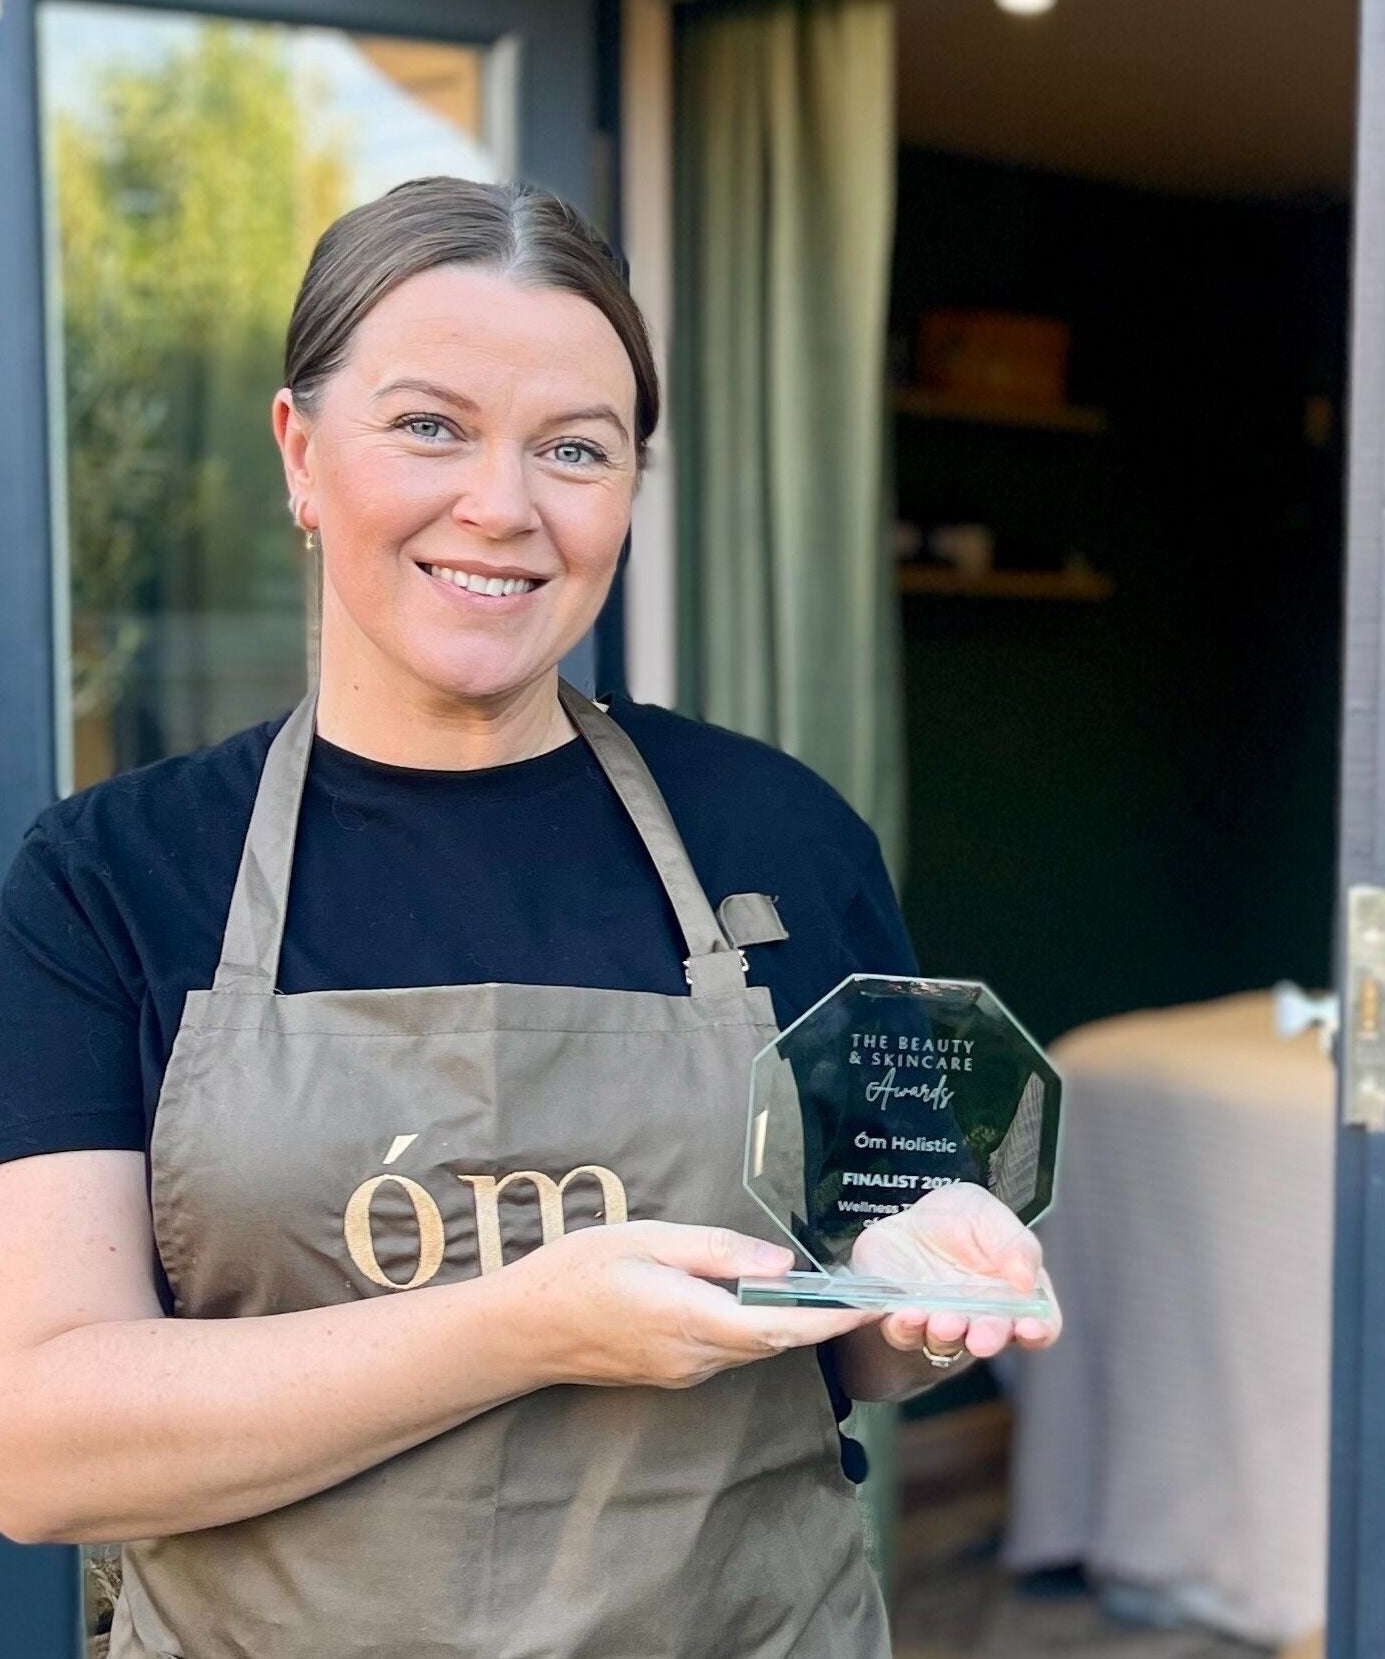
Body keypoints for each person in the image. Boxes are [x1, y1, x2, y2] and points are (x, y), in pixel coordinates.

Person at [0, 176, 1057, 1658]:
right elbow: (42, 1449)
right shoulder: (113, 876)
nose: (503, 506)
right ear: (301, 454)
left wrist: (933, 1294)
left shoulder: (778, 834)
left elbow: (865, 1342)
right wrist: (521, 1326)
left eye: (576, 448)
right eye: (430, 426)